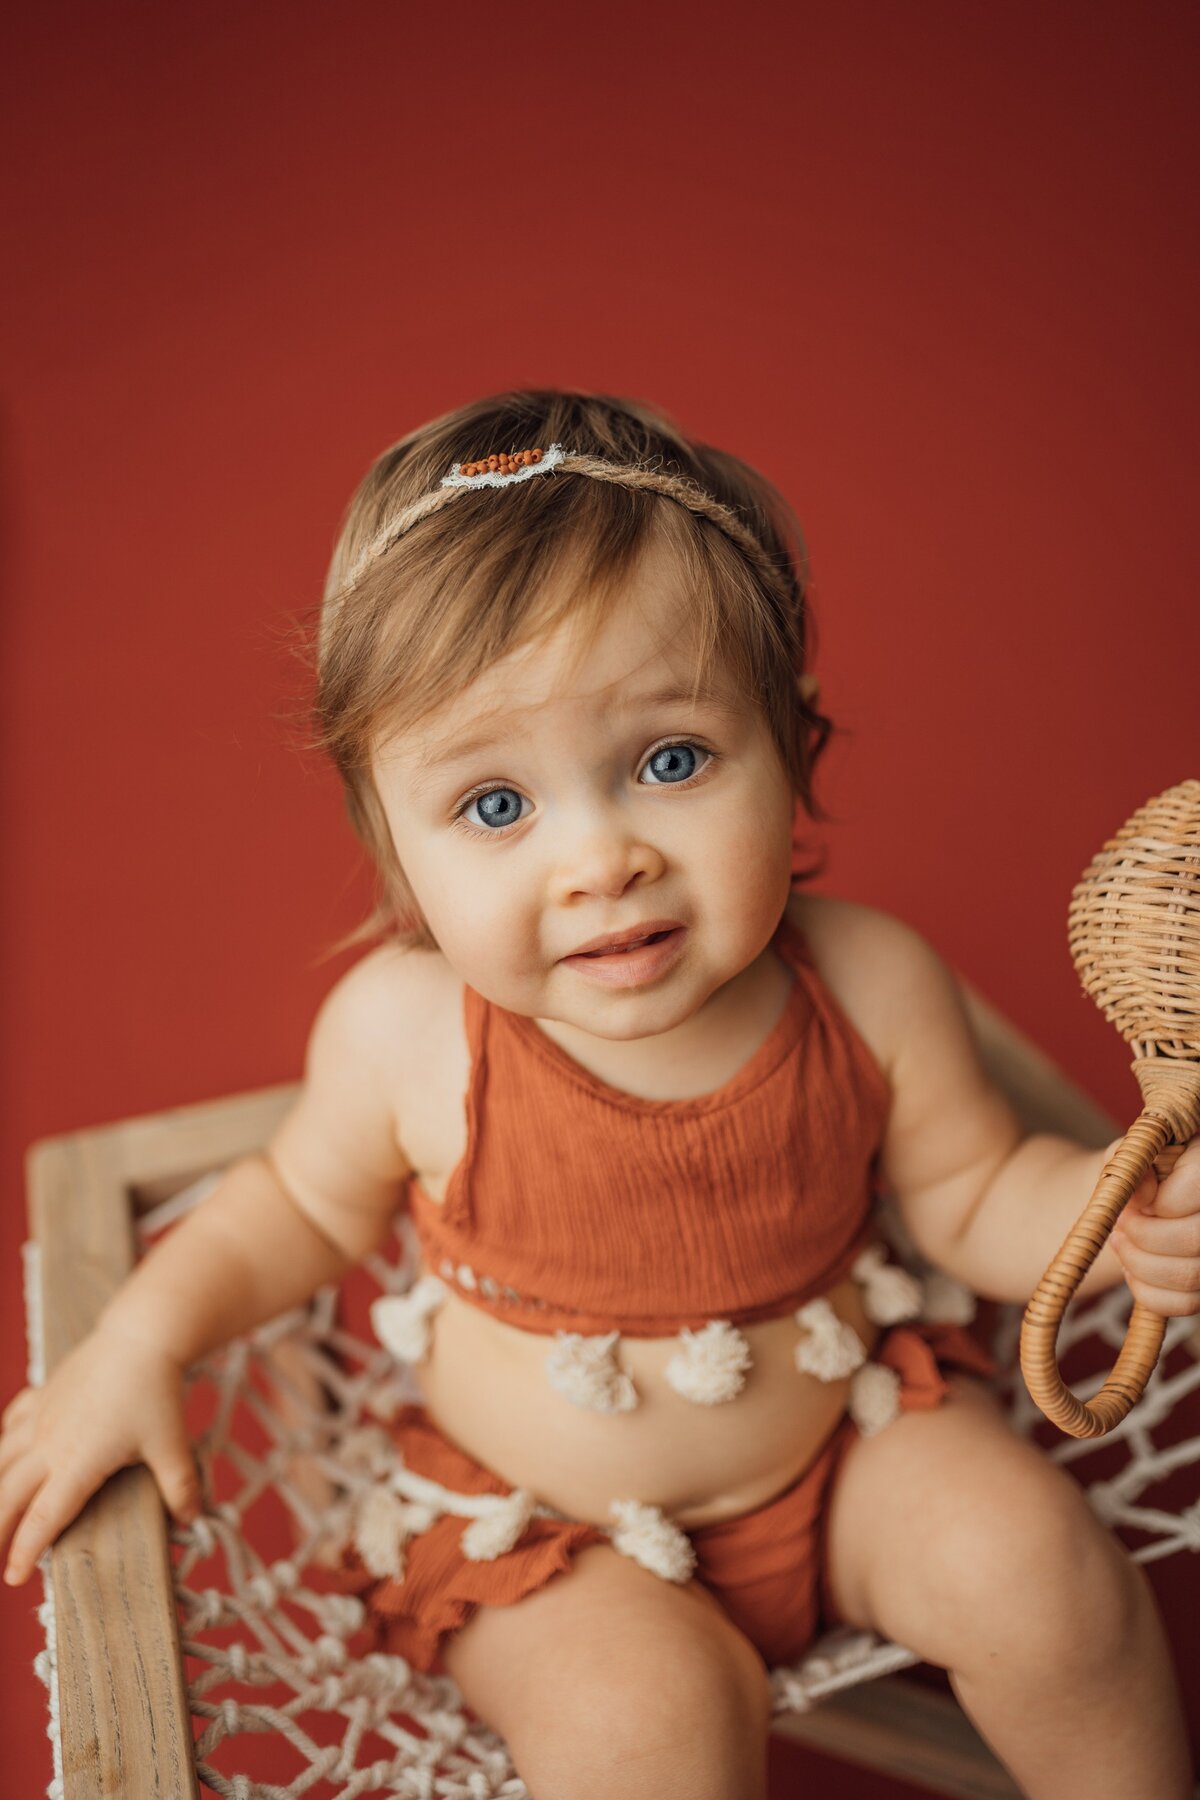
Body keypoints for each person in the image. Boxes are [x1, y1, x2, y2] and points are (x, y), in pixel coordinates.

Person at [1, 390, 1195, 1800]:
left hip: (844, 1443)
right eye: (497, 806)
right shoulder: (405, 1033)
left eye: (672, 761)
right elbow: (291, 1208)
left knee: (1048, 1573)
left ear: (791, 749)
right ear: (394, 846)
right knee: (648, 1728)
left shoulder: (869, 985)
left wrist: (1119, 1224)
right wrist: (141, 1338)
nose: (602, 858)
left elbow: (979, 1194)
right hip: (542, 1532)